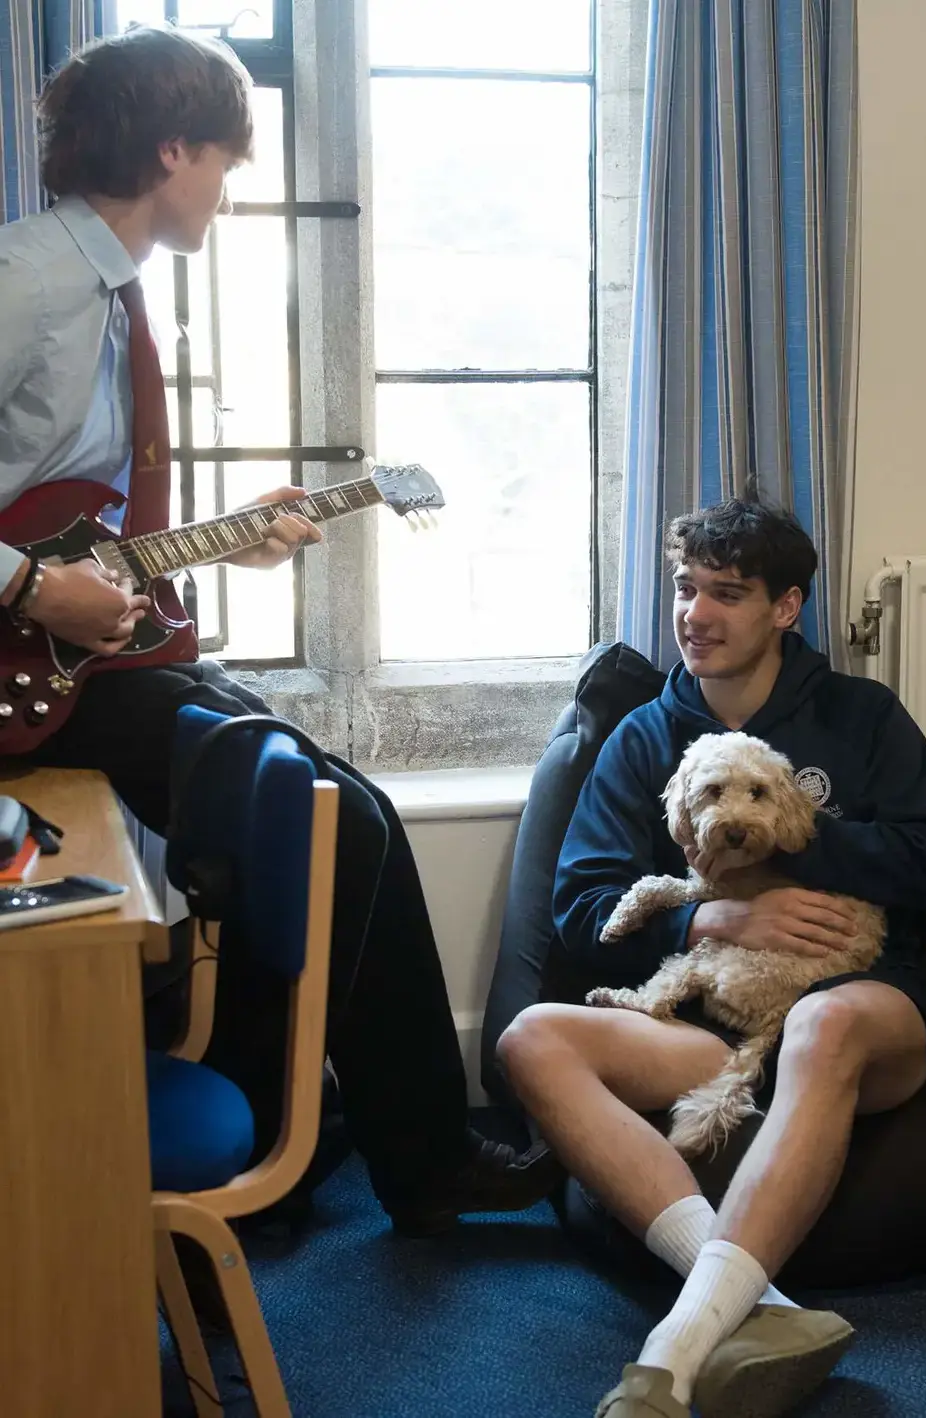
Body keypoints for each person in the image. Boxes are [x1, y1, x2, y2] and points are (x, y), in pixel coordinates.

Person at [0, 24, 560, 1240]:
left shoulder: (101, 288)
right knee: (339, 825)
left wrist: (216, 537)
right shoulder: (27, 282)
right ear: (171, 147)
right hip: (28, 678)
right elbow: (35, 570)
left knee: (333, 808)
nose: (231, 181)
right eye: (225, 156)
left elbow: (58, 523)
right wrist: (36, 597)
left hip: (78, 662)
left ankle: (282, 1118)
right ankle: (410, 1160)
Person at [497, 500, 926, 1418]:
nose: (696, 614)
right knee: (529, 1039)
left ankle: (670, 1355)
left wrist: (786, 845)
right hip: (715, 1011)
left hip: (866, 1004)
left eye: (728, 593)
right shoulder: (645, 738)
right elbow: (581, 909)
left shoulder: (861, 715)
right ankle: (757, 1307)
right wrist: (712, 920)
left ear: (786, 608)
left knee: (823, 1021)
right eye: (686, 589)